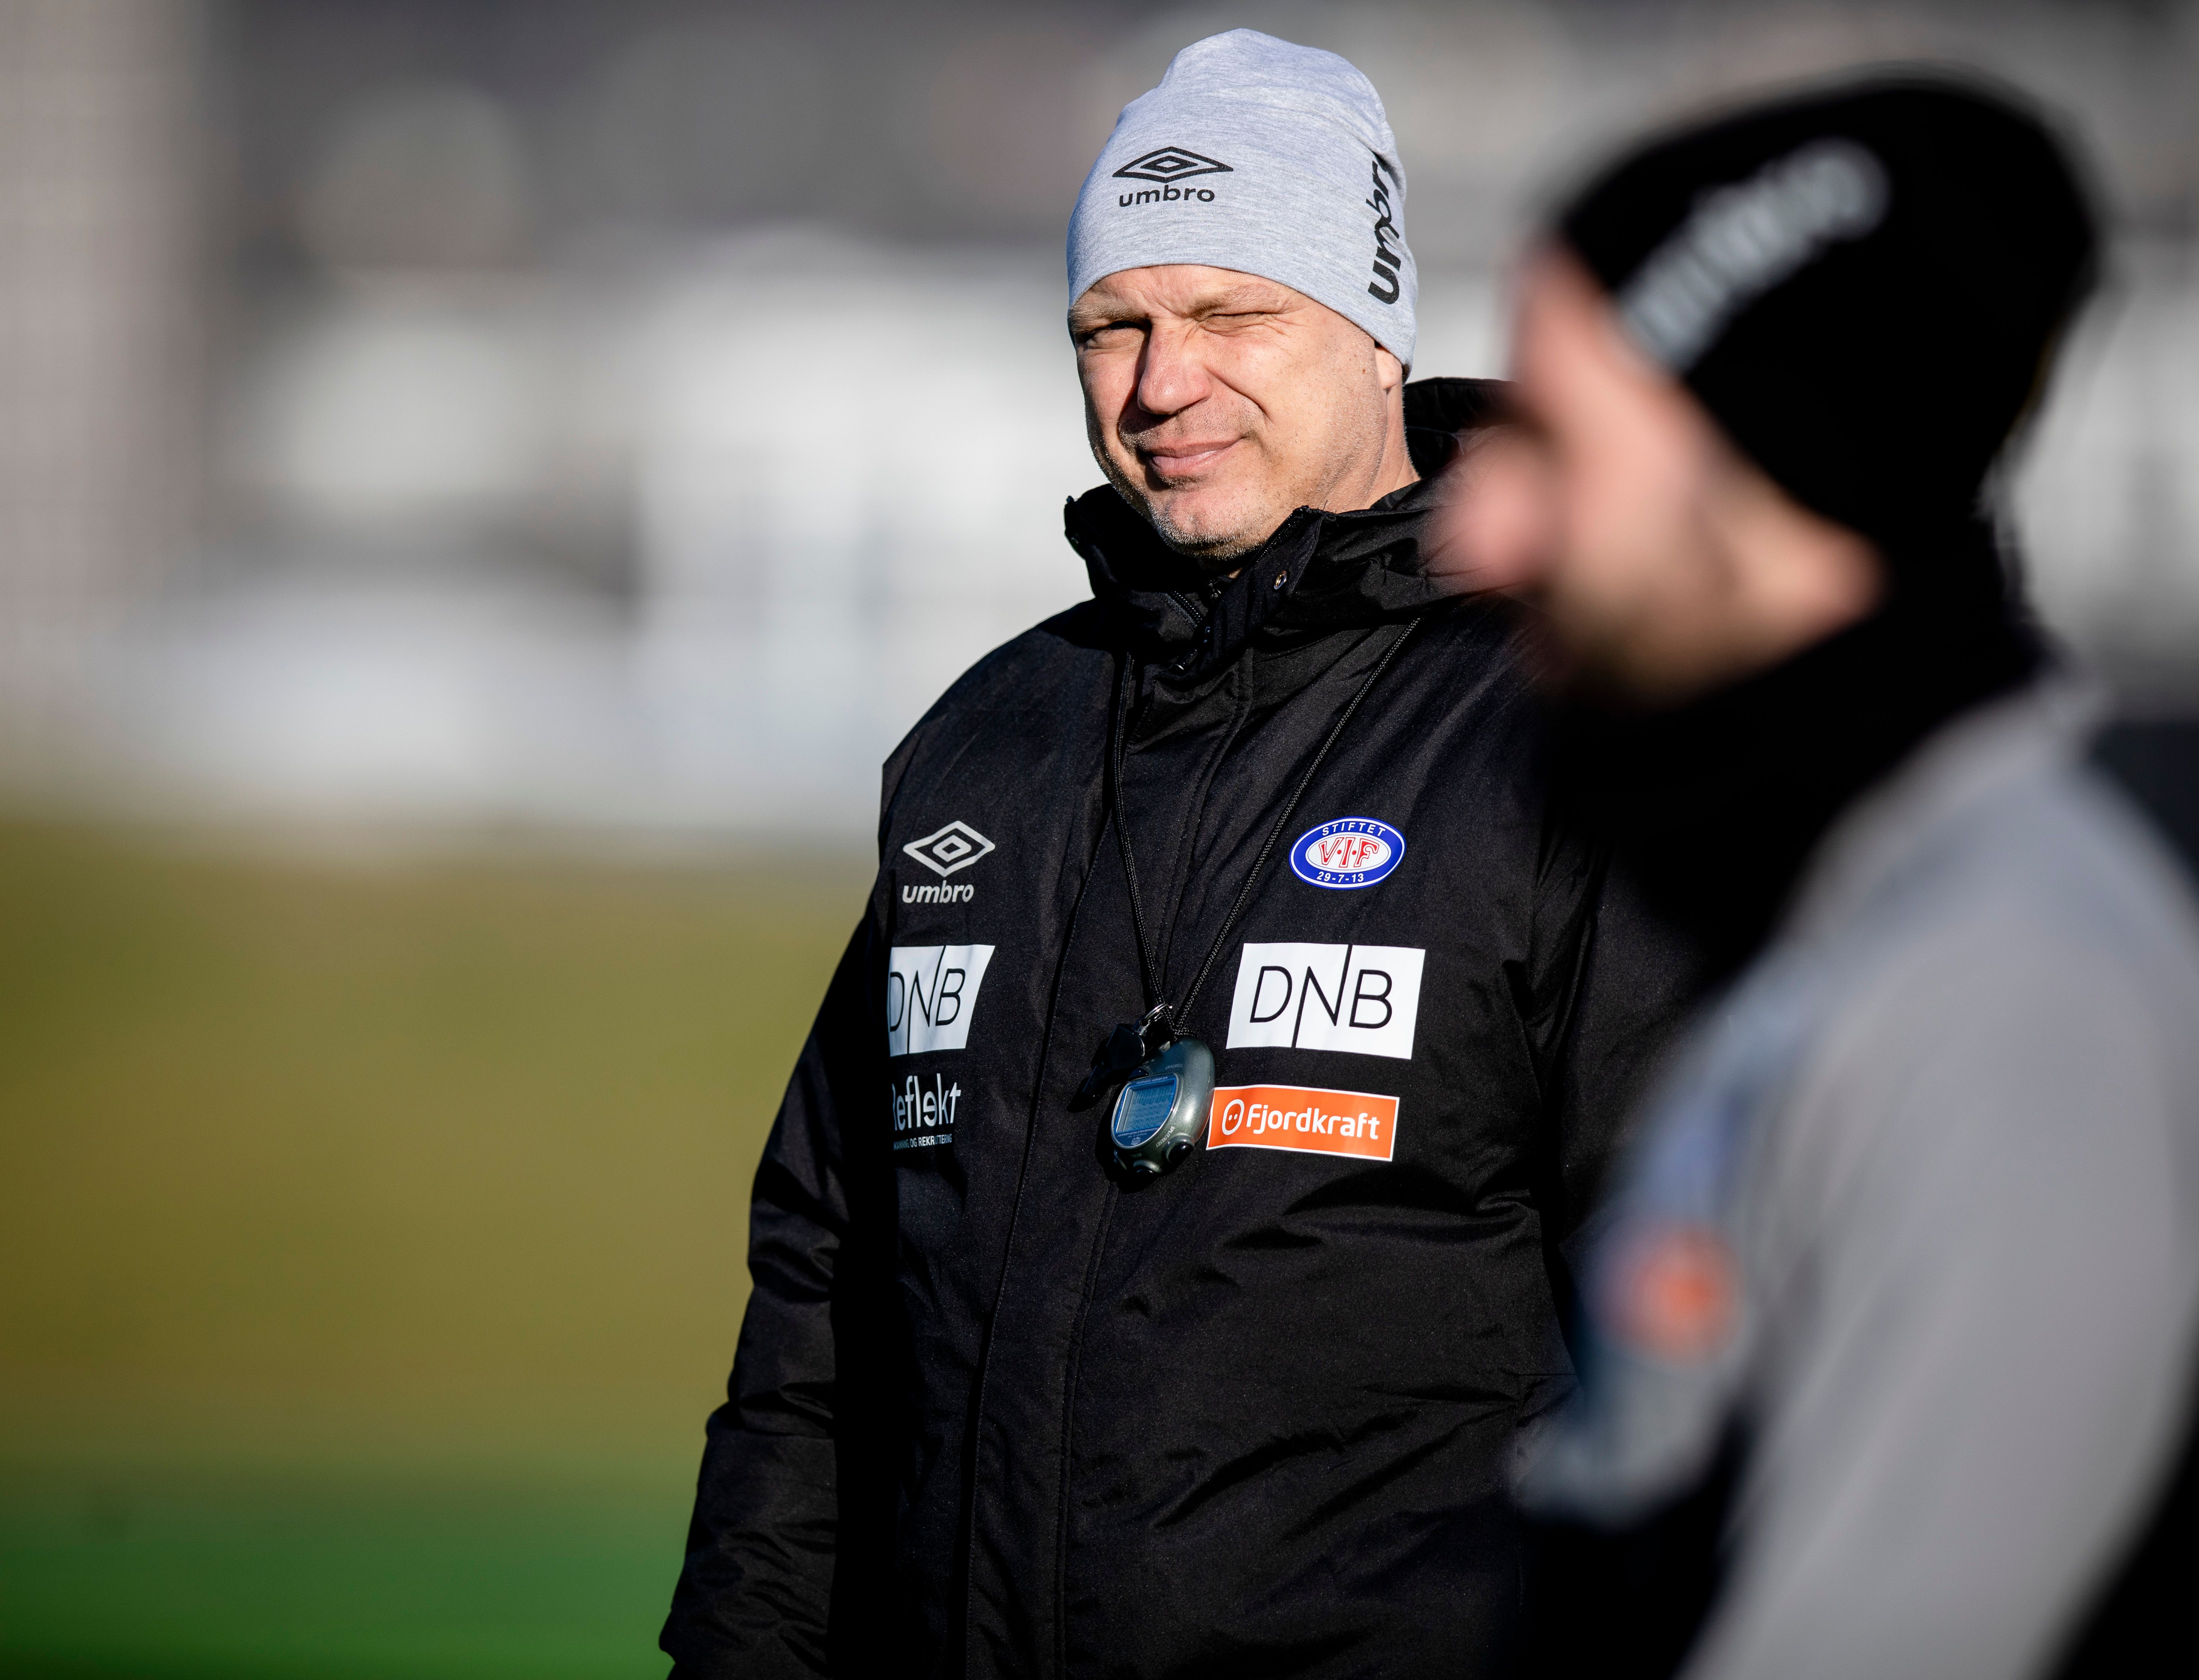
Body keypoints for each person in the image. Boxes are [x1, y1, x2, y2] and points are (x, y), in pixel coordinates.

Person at [660, 29, 1701, 1678]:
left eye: (1231, 316)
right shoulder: (985, 746)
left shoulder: (1571, 736)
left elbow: (1704, 1339)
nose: (1162, 384)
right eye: (1114, 327)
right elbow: (821, 1305)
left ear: (1376, 329)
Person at [1441, 74, 2199, 1680]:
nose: (1474, 530)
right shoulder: (1844, 914)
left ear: (1756, 484)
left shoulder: (2005, 988)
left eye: (1554, 446)